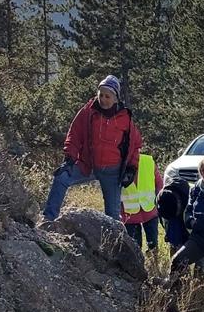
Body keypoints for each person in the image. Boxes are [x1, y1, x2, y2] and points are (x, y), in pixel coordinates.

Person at [42, 75, 141, 221]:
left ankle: (114, 236)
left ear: (116, 99)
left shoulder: (125, 118)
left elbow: (136, 144)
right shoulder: (88, 111)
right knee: (61, 178)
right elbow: (74, 133)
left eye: (107, 96)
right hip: (87, 165)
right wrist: (69, 158)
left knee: (113, 217)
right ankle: (48, 220)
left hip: (112, 173)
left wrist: (131, 168)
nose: (103, 99)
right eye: (101, 95)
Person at [122, 151, 163, 254]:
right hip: (129, 213)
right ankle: (141, 263)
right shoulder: (117, 165)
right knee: (135, 248)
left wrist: (159, 203)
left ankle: (153, 262)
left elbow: (159, 185)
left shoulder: (148, 161)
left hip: (149, 210)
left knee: (152, 245)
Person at [157, 178, 191, 255]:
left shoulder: (191, 199)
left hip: (184, 210)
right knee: (173, 238)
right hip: (172, 209)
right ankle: (175, 258)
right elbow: (162, 220)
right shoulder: (160, 200)